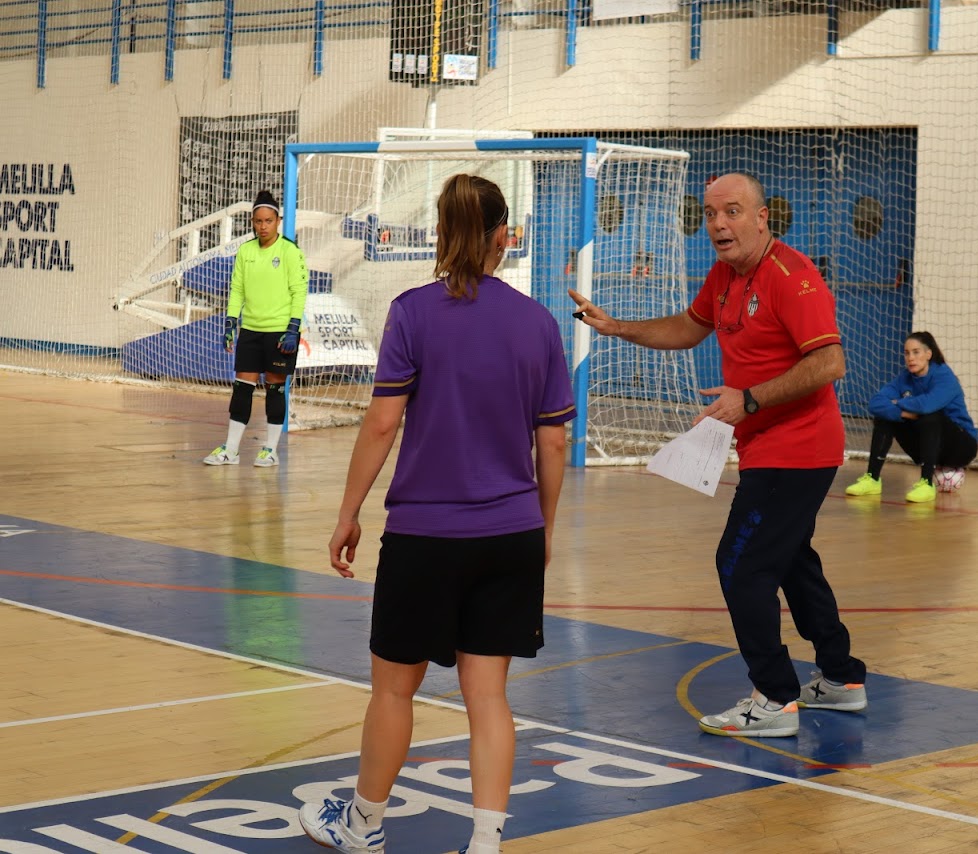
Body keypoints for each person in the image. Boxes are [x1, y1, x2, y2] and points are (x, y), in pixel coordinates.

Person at [298, 174, 573, 854]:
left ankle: (362, 828)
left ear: (442, 236)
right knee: (490, 696)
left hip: (426, 536)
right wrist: (541, 525)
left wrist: (347, 512)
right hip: (509, 534)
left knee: (394, 692)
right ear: (504, 238)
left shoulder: (412, 313)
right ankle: (484, 843)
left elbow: (382, 423)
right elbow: (555, 440)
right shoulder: (538, 322)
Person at [568, 172, 867, 739]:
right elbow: (689, 326)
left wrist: (748, 400)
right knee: (791, 561)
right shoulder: (726, 275)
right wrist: (617, 327)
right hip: (765, 447)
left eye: (731, 211)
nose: (718, 224)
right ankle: (840, 677)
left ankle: (775, 698)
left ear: (762, 218)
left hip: (798, 449)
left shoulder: (792, 277)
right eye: (709, 214)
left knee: (741, 566)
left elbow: (829, 364)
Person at [203, 189, 308, 467]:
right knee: (242, 389)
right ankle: (232, 450)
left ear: (277, 221)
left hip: (279, 332)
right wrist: (230, 322)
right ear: (252, 222)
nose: (263, 226)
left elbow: (299, 291)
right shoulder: (245, 251)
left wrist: (293, 328)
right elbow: (237, 289)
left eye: (268, 221)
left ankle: (270, 450)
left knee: (274, 389)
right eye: (258, 221)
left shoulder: (289, 251)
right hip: (250, 330)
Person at [845, 331, 978, 503]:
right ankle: (872, 479)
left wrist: (896, 402)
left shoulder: (945, 376)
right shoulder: (904, 378)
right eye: (907, 353)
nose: (910, 358)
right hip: (928, 445)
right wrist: (902, 412)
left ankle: (926, 483)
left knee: (930, 415)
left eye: (916, 352)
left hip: (961, 446)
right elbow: (875, 403)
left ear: (928, 354)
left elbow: (927, 405)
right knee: (884, 417)